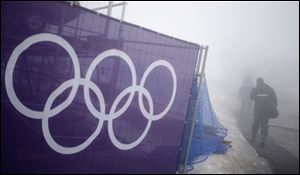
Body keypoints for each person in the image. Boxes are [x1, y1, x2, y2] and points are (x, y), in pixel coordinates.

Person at [250, 77, 277, 147]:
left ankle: (253, 138)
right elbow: (275, 100)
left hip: (258, 110)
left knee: (256, 124)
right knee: (264, 125)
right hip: (266, 112)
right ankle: (263, 141)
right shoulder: (269, 89)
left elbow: (252, 97)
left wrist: (256, 95)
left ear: (258, 82)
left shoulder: (256, 89)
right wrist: (272, 107)